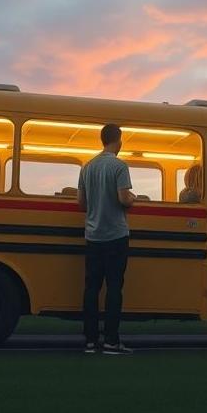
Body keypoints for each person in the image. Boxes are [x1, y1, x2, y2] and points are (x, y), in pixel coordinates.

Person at [77, 123, 137, 355]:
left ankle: (90, 341)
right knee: (114, 288)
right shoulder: (119, 166)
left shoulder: (87, 167)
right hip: (116, 236)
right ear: (118, 141)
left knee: (91, 288)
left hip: (93, 236)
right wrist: (134, 198)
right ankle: (111, 340)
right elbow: (123, 198)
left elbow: (81, 203)